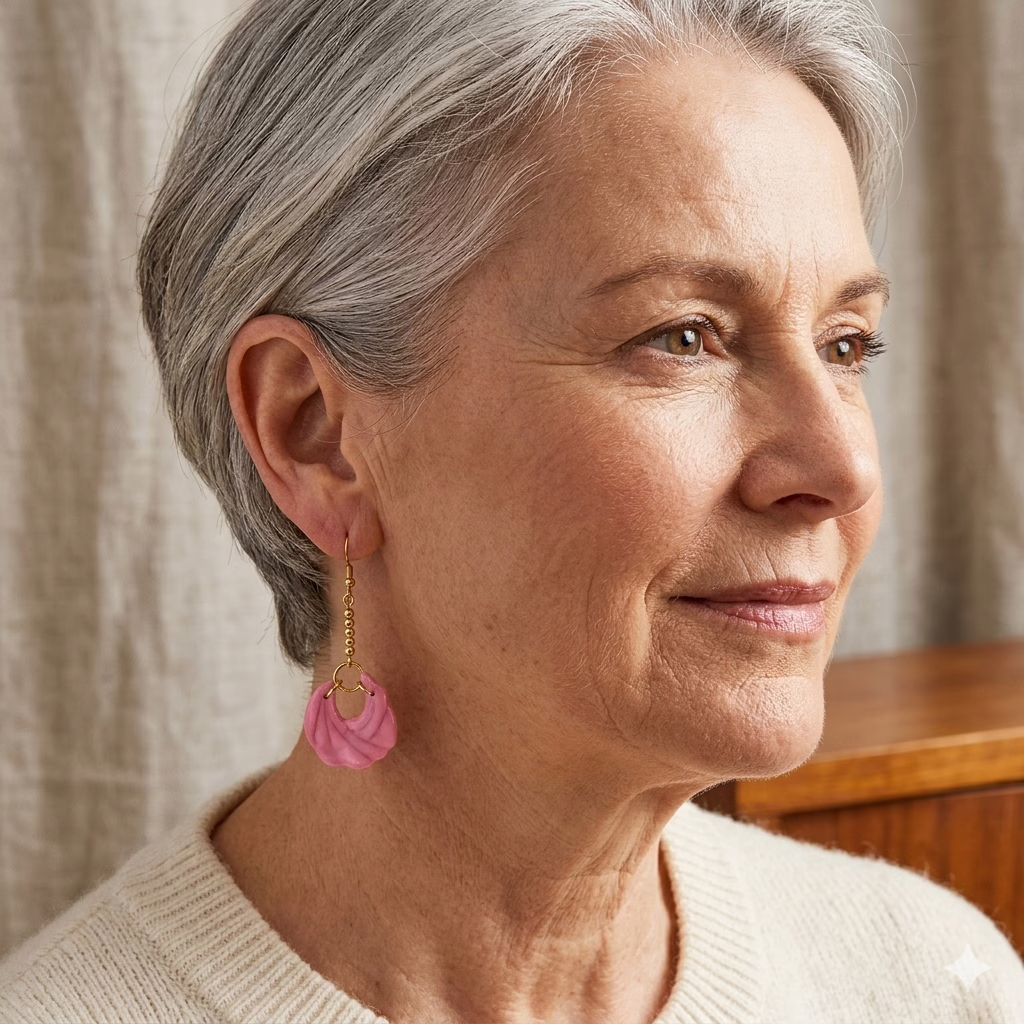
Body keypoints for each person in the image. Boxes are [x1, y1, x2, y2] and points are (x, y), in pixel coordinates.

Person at [2, 0, 1023, 1021]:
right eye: (682, 337)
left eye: (846, 343)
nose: (839, 464)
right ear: (316, 434)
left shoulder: (926, 979)